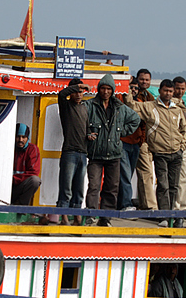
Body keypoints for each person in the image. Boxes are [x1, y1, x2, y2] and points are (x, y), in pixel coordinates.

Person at [124, 79, 186, 219]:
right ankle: (164, 216)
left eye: (170, 91)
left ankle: (171, 215)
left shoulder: (177, 109)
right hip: (160, 153)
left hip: (176, 153)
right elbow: (131, 105)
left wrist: (182, 146)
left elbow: (183, 129)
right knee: (163, 185)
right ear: (159, 91)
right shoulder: (150, 107)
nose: (168, 93)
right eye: (165, 90)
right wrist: (127, 88)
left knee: (174, 186)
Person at [86, 73, 141, 225]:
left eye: (108, 89)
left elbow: (136, 119)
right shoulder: (90, 105)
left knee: (111, 188)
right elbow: (81, 121)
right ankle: (90, 214)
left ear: (113, 90)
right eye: (103, 88)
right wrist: (87, 134)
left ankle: (105, 217)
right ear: (98, 89)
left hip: (114, 155)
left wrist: (121, 132)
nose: (105, 92)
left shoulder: (119, 107)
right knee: (94, 186)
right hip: (96, 154)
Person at [120, 69, 158, 211]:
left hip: (141, 141)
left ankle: (145, 205)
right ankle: (127, 204)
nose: (144, 83)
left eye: (147, 80)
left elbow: (149, 121)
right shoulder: (126, 98)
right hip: (127, 141)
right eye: (141, 80)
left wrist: (144, 139)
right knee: (126, 173)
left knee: (142, 174)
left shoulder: (149, 98)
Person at [56, 78, 89, 223]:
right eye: (76, 92)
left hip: (83, 153)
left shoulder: (84, 108)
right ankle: (63, 215)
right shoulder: (66, 106)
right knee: (66, 187)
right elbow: (61, 94)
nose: (79, 94)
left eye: (81, 92)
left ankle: (76, 215)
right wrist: (77, 86)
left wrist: (90, 134)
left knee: (79, 189)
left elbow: (87, 127)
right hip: (69, 152)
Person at [172, 76, 186, 212]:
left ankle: (182, 208)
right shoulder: (171, 104)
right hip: (175, 146)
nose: (180, 91)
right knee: (176, 179)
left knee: (183, 178)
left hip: (184, 145)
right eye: (178, 88)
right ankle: (176, 207)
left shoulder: (182, 103)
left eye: (183, 89)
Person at [12, 123, 41, 205]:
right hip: (7, 187)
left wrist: (14, 179)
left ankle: (20, 205)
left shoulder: (32, 149)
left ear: (27, 138)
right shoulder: (9, 147)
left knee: (35, 180)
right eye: (18, 136)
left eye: (23, 137)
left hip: (19, 186)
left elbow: (34, 173)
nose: (20, 139)